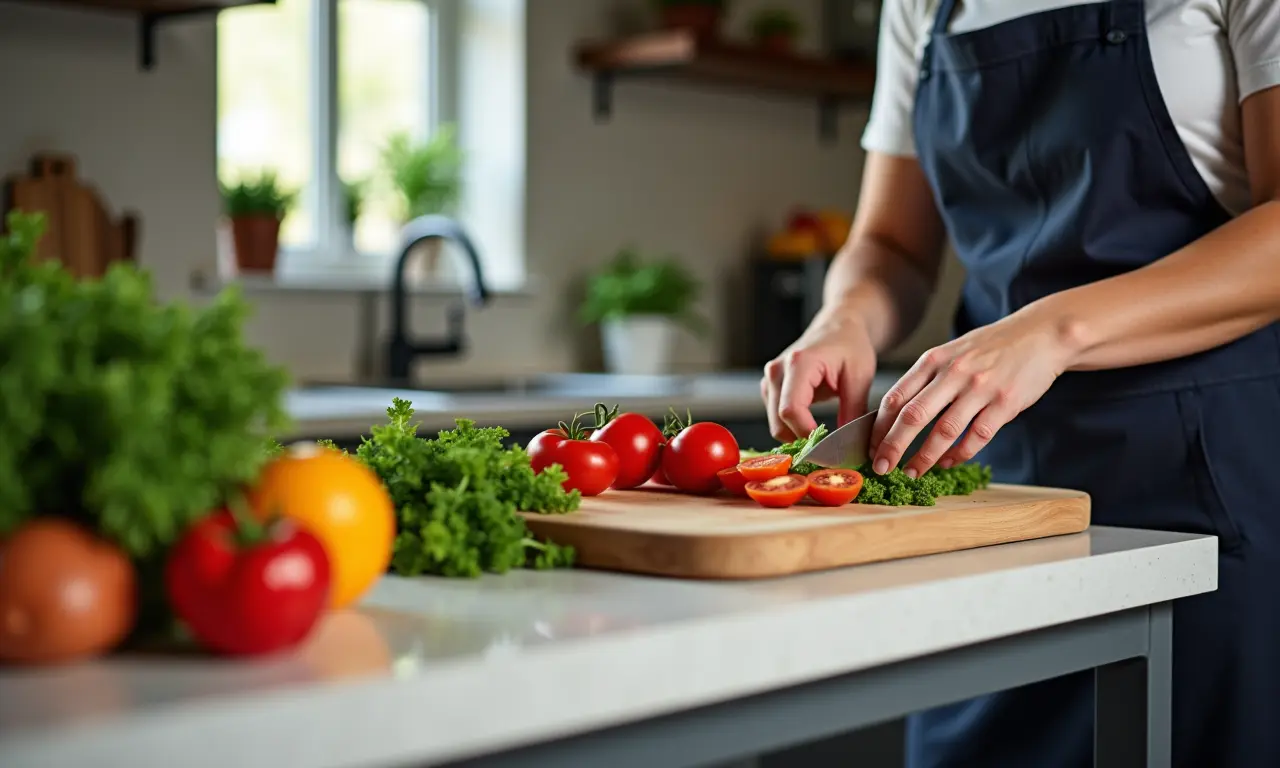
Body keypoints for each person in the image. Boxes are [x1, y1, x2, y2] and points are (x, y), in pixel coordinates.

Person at [760, 0, 1280, 766]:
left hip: (1209, 479)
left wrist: (1051, 331)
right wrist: (844, 318)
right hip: (992, 483)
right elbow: (891, 245)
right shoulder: (919, 7)